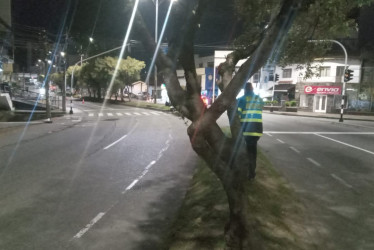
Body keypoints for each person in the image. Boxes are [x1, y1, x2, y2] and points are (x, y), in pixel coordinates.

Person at [237, 82, 264, 179]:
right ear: (252, 89)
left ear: (245, 90)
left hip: (247, 129)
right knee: (253, 151)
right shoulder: (259, 99)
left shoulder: (241, 100)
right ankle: (251, 172)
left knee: (248, 152)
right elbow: (260, 108)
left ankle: (249, 173)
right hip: (257, 129)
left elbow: (238, 116)